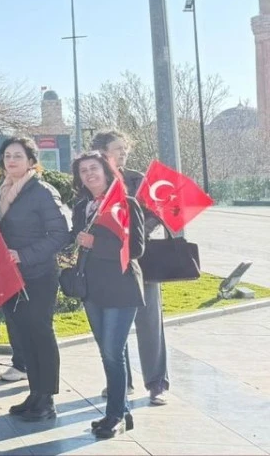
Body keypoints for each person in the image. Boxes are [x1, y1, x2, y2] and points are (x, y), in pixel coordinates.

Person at [91, 130, 170, 406]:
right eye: (117, 148)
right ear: (102, 151)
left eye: (125, 148)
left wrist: (133, 232)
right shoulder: (94, 179)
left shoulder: (138, 179)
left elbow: (156, 212)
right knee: (114, 326)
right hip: (108, 265)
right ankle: (120, 383)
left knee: (149, 323)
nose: (123, 153)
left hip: (141, 260)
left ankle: (156, 383)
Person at [0, 137, 72, 422]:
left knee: (41, 334)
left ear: (31, 161)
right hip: (10, 276)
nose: (11, 160)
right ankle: (34, 393)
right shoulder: (1, 190)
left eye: (18, 156)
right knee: (23, 336)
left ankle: (47, 398)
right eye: (7, 156)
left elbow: (60, 235)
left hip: (38, 275)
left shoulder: (41, 190)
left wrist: (24, 255)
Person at [71, 151, 146, 439]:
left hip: (121, 288)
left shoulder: (126, 203)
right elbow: (78, 238)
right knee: (110, 351)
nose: (89, 174)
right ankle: (122, 411)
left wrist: (94, 243)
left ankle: (115, 414)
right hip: (92, 289)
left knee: (113, 352)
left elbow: (136, 249)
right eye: (83, 170)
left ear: (107, 171)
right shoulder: (82, 206)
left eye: (94, 168)